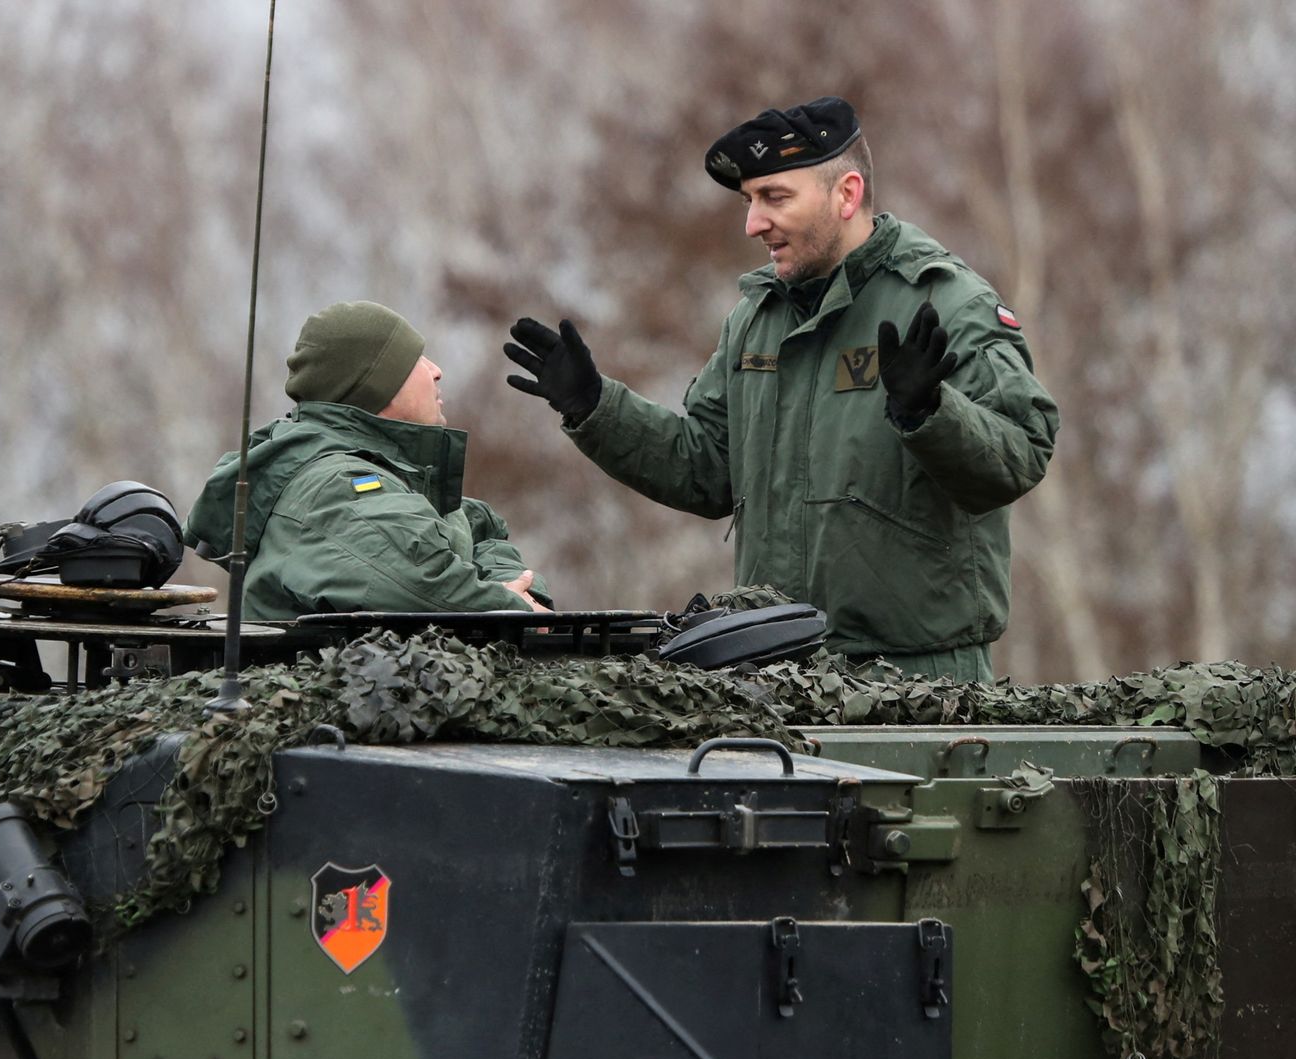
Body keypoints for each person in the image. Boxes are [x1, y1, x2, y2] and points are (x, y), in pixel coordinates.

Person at [505, 97, 1057, 681]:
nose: (753, 224)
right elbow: (708, 469)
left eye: (775, 198)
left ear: (846, 194)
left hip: (921, 688)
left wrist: (932, 413)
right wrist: (596, 407)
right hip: (776, 676)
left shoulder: (947, 301)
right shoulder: (756, 317)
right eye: (749, 201)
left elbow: (1023, 453)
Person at [184, 300, 551, 620]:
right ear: (375, 384)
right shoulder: (334, 486)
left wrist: (519, 591)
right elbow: (420, 584)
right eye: (413, 360)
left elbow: (480, 531)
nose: (435, 370)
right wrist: (513, 605)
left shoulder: (389, 478)